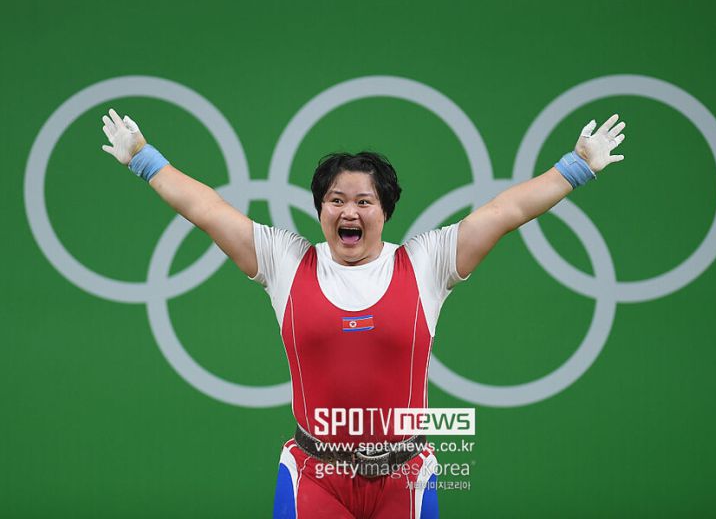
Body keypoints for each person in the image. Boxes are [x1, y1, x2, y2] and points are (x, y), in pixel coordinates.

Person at [101, 108, 626, 518]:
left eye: (363, 201)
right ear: (320, 209)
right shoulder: (285, 260)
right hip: (314, 476)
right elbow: (207, 209)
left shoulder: (427, 261)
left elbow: (505, 212)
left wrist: (575, 167)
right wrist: (144, 158)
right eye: (335, 200)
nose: (348, 211)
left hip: (405, 478)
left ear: (385, 210)